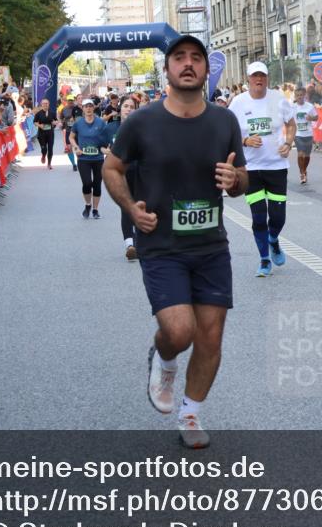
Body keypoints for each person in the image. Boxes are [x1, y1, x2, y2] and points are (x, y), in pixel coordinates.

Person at [104, 34, 248, 448]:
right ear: (167, 69)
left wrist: (235, 180)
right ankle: (164, 356)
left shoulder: (224, 121)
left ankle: (190, 414)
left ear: (205, 69)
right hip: (161, 244)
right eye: (179, 58)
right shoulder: (141, 122)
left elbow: (243, 179)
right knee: (179, 330)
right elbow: (113, 169)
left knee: (211, 336)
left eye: (196, 58)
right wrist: (131, 210)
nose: (188, 64)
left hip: (211, 246)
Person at [227, 61, 296, 277]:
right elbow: (228, 133)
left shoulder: (278, 100)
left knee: (278, 217)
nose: (259, 80)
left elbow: (291, 124)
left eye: (263, 76)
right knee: (258, 217)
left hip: (276, 166)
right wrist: (245, 141)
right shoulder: (238, 103)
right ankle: (264, 259)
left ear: (267, 78)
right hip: (251, 168)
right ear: (248, 79)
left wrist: (288, 142)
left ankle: (273, 239)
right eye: (255, 76)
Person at [110, 97, 140, 260]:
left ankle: (141, 240)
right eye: (125, 106)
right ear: (120, 109)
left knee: (141, 205)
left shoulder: (143, 128)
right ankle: (130, 244)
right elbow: (100, 143)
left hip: (141, 172)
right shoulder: (110, 128)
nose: (128, 109)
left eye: (132, 107)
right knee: (126, 206)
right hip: (120, 174)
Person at [68, 99, 109, 219]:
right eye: (86, 106)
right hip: (83, 158)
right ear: (83, 108)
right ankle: (87, 205)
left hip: (98, 158)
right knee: (87, 183)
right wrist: (76, 147)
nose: (89, 108)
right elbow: (71, 137)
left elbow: (106, 139)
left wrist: (103, 148)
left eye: (91, 106)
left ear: (93, 108)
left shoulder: (100, 123)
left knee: (97, 184)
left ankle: (95, 210)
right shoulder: (78, 123)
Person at [291, 86, 318, 185]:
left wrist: (311, 118)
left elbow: (316, 117)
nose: (299, 97)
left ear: (304, 95)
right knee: (300, 154)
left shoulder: (309, 106)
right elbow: (288, 119)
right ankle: (302, 173)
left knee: (306, 156)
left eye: (301, 95)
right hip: (298, 134)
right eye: (297, 95)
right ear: (295, 96)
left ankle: (304, 170)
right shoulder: (292, 107)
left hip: (308, 134)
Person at [34, 98, 58, 169]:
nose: (45, 105)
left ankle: (49, 163)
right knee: (44, 149)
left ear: (49, 104)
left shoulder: (52, 113)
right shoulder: (38, 113)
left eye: (46, 103)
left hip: (50, 133)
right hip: (42, 134)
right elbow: (35, 122)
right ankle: (43, 155)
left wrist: (55, 123)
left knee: (50, 148)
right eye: (44, 103)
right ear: (41, 105)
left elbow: (56, 121)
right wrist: (39, 125)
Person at [60, 93, 82, 172]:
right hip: (68, 130)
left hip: (77, 131)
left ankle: (80, 162)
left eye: (72, 100)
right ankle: (74, 164)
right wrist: (62, 124)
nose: (70, 102)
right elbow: (61, 118)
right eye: (69, 100)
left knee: (78, 147)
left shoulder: (78, 108)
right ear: (67, 101)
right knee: (69, 148)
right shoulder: (64, 109)